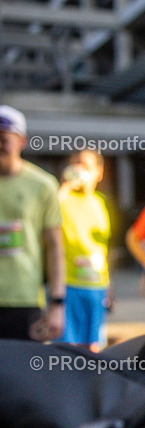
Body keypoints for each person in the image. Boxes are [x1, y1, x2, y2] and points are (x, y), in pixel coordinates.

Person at [0, 105, 65, 341]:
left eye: (3, 139)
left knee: (21, 373)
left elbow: (55, 247)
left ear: (21, 141)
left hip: (24, 301)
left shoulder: (42, 185)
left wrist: (57, 302)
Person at [58, 150, 111, 350]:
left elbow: (103, 246)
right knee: (67, 349)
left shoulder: (100, 202)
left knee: (93, 348)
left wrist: (109, 285)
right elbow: (48, 213)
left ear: (99, 172)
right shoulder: (64, 198)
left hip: (97, 287)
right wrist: (66, 186)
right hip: (68, 285)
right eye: (76, 164)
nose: (81, 170)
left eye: (86, 166)